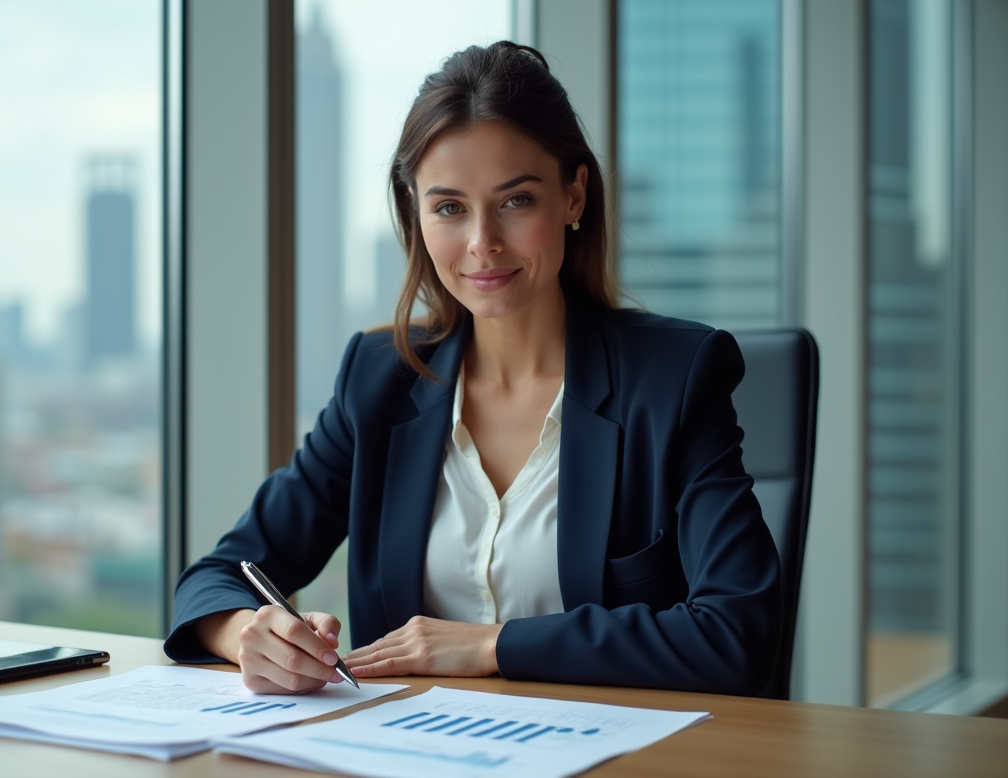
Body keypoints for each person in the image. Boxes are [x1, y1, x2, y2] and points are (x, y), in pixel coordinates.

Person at [164, 41, 781, 696]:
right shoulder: (380, 380)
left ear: (573, 197)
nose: (482, 243)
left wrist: (489, 646)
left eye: (515, 201)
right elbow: (218, 576)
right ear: (416, 214)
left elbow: (737, 632)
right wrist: (248, 635)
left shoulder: (675, 379)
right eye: (450, 208)